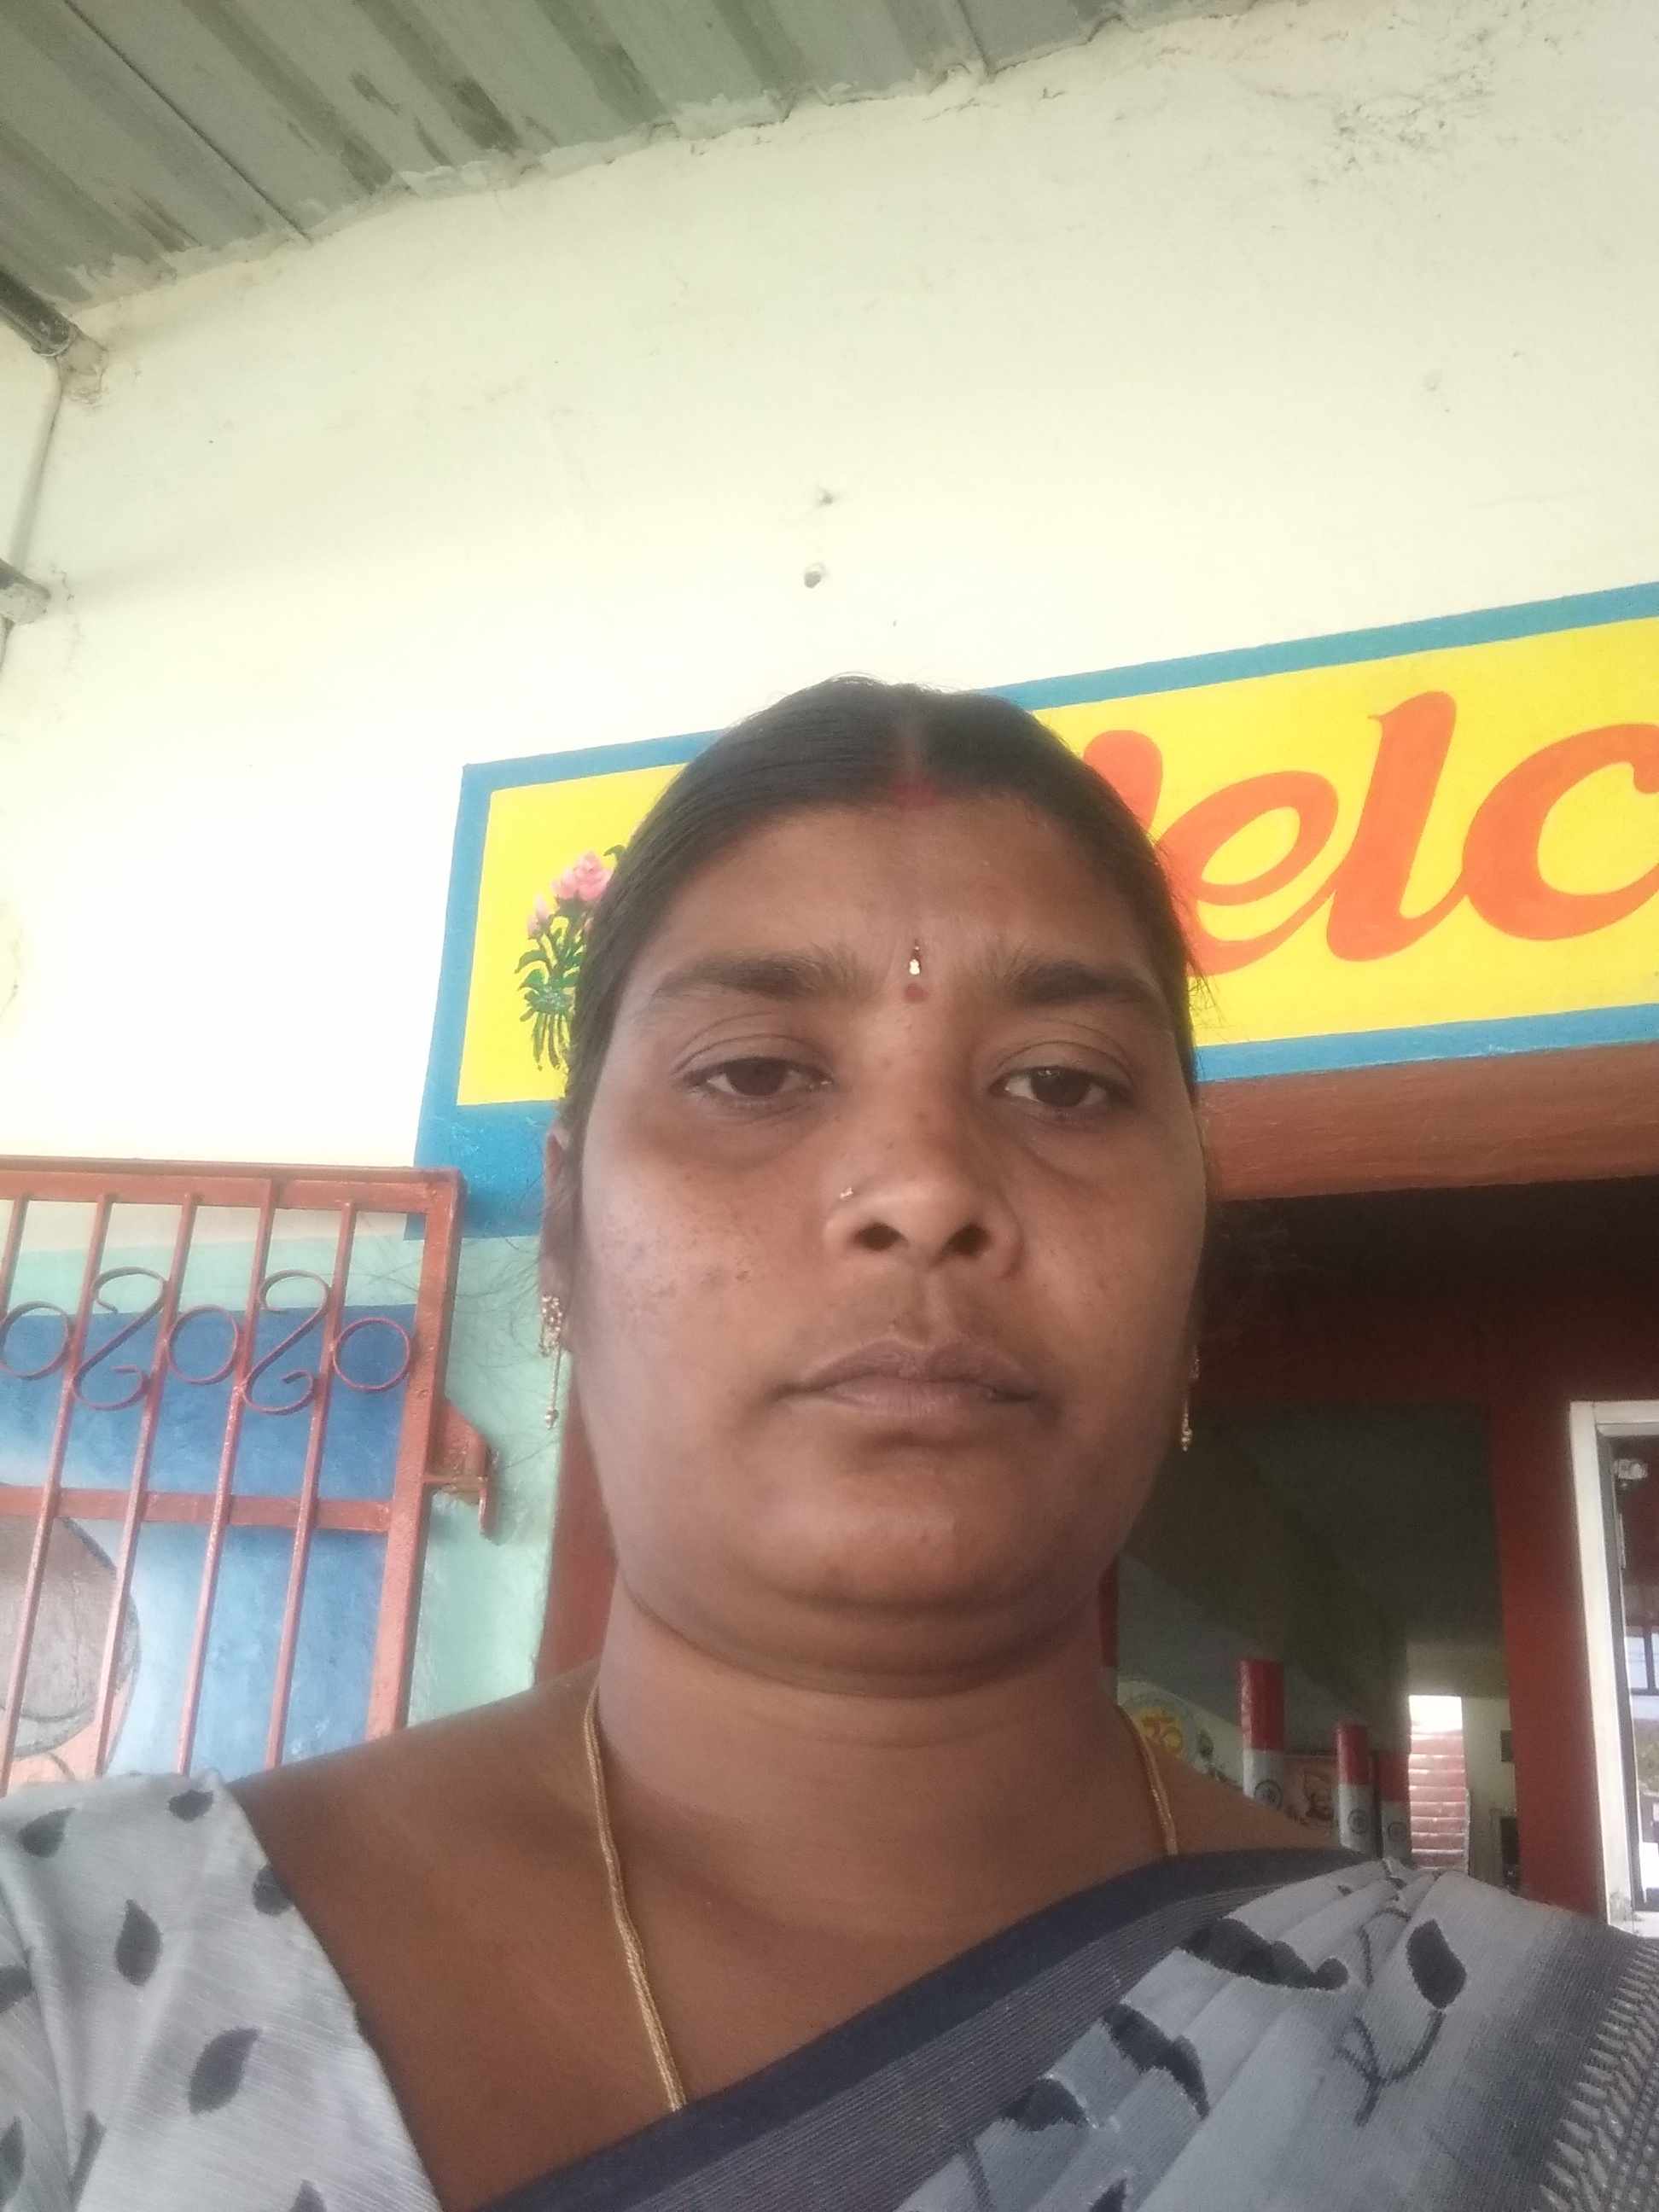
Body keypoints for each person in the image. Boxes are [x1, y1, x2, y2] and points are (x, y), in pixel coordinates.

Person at [1, 679, 1654, 2212]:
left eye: (1064, 1087)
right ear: (564, 1238)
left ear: (1192, 1287)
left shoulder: (1582, 2087)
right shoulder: (66, 1982)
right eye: (755, 1072)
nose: (923, 1187)